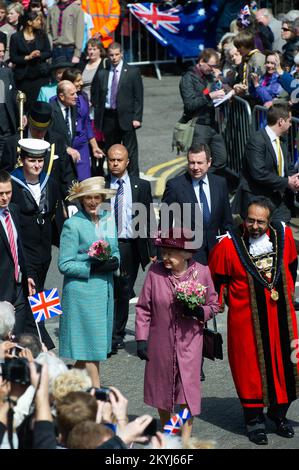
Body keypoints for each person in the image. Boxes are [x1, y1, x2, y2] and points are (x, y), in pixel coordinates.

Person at [209, 197, 299, 445]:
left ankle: (278, 415)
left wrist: (289, 293)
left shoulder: (284, 237)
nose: (255, 226)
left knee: (290, 367)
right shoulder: (228, 246)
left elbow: (291, 265)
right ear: (243, 218)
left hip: (283, 319)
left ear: (269, 221)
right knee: (250, 373)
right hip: (247, 324)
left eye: (261, 221)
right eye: (251, 220)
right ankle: (254, 422)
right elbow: (216, 280)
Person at [135, 228, 219, 442]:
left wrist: (201, 311)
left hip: (190, 343)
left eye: (171, 253)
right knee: (161, 393)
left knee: (187, 394)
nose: (165, 257)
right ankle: (169, 433)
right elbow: (144, 308)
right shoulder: (155, 272)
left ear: (187, 253)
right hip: (159, 343)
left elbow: (214, 304)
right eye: (163, 251)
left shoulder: (202, 272)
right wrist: (142, 339)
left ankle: (185, 439)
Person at [58, 177, 120, 386]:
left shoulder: (108, 219)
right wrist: (91, 267)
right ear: (81, 200)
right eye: (88, 198)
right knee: (92, 351)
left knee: (90, 353)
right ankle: (97, 396)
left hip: (104, 293)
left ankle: (61, 388)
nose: (93, 202)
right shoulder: (72, 225)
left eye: (97, 197)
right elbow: (64, 264)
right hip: (82, 295)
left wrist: (115, 261)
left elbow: (116, 250)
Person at [105, 144, 157, 353]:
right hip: (105, 245)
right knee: (108, 290)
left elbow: (148, 219)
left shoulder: (140, 186)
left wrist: (153, 250)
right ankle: (106, 333)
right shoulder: (100, 185)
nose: (115, 164)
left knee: (124, 290)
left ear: (127, 162)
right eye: (111, 160)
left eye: (119, 160)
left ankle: (116, 335)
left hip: (129, 246)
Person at [10, 138, 59, 349]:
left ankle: (40, 337)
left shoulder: (50, 181)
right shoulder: (12, 183)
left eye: (40, 160)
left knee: (40, 295)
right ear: (22, 160)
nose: (37, 165)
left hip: (44, 253)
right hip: (23, 251)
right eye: (32, 161)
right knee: (28, 297)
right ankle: (40, 343)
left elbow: (54, 216)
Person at [1, 101, 77, 227]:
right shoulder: (13, 143)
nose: (40, 133)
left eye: (44, 130)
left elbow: (67, 174)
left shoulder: (56, 141)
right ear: (29, 122)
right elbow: (5, 176)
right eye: (37, 129)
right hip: (22, 212)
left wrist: (71, 201)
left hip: (51, 210)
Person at [161, 144, 233, 266]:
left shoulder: (220, 183)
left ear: (209, 162)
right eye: (191, 163)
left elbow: (227, 222)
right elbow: (164, 222)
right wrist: (161, 253)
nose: (195, 167)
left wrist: (231, 249)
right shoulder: (175, 186)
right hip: (188, 254)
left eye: (200, 163)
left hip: (216, 252)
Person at [235, 102, 299, 223]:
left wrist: (294, 180)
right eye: (289, 121)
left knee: (282, 233)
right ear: (281, 121)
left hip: (278, 200)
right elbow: (258, 173)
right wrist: (286, 182)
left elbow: (287, 167)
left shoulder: (282, 141)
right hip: (257, 200)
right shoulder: (257, 140)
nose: (291, 124)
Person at [91, 42, 143, 176]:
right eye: (111, 55)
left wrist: (137, 118)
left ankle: (133, 179)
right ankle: (113, 178)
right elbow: (95, 92)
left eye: (116, 55)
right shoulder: (103, 72)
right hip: (109, 116)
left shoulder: (132, 72)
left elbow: (138, 96)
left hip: (126, 117)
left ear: (121, 54)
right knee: (111, 150)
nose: (114, 58)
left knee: (130, 151)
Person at [0, 170, 38, 340]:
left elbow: (20, 248)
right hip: (2, 293)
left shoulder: (14, 210)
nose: (5, 198)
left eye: (8, 193)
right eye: (0, 194)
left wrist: (28, 274)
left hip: (19, 288)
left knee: (18, 341)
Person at [179, 48, 228, 177]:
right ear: (201, 61)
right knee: (198, 162)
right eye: (211, 66)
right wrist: (209, 96)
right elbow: (190, 105)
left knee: (221, 159)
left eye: (215, 66)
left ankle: (206, 183)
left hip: (213, 124)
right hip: (199, 125)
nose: (213, 69)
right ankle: (193, 187)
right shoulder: (188, 78)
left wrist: (219, 80)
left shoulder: (210, 76)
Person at [60, 67, 104, 181]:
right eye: (78, 81)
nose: (81, 83)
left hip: (82, 145)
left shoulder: (83, 96)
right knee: (69, 182)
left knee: (84, 180)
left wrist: (94, 147)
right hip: (67, 145)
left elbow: (87, 123)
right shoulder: (57, 101)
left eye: (81, 80)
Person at [9, 10, 51, 110]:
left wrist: (39, 54)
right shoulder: (16, 37)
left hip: (40, 76)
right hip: (24, 78)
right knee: (25, 106)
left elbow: (48, 52)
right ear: (29, 22)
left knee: (40, 106)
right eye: (37, 20)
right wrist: (28, 57)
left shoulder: (42, 35)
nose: (40, 22)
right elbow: (14, 58)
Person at [49, 80, 81, 175]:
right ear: (62, 96)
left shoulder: (73, 107)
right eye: (72, 94)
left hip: (69, 162)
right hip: (55, 162)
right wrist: (65, 148)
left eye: (76, 93)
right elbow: (48, 135)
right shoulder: (51, 110)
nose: (76, 96)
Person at [0, 66, 18, 166]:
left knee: (6, 163)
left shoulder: (6, 72)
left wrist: (22, 113)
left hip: (6, 128)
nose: (2, 54)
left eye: (3, 51)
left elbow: (14, 94)